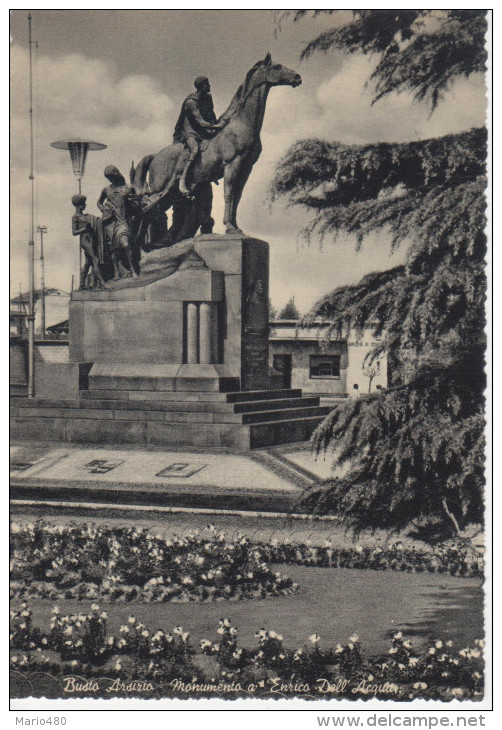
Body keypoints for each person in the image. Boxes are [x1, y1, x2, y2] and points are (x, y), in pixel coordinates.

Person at [173, 76, 228, 196]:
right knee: (195, 149)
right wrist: (219, 126)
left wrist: (217, 123)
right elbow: (201, 122)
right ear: (201, 86)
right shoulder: (191, 102)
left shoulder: (208, 98)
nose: (209, 86)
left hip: (203, 132)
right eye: (207, 84)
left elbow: (211, 114)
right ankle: (183, 179)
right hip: (190, 132)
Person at [97, 165, 138, 279]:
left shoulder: (127, 188)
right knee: (113, 249)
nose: (110, 180)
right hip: (110, 222)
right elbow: (99, 202)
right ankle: (116, 273)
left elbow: (135, 206)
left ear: (116, 174)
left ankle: (133, 269)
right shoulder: (106, 189)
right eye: (108, 178)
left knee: (125, 244)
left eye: (111, 177)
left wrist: (131, 201)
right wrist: (104, 209)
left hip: (122, 220)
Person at [71, 194, 106, 289]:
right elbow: (74, 232)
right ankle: (102, 283)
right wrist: (84, 229)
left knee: (87, 263)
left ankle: (81, 285)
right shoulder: (75, 217)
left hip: (91, 240)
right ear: (79, 205)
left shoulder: (86, 216)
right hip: (85, 240)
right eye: (83, 203)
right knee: (95, 260)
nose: (85, 205)